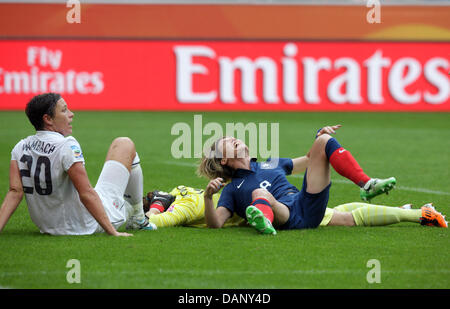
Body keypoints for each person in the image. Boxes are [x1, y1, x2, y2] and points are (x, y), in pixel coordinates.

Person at [197, 126, 447, 235]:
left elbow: (309, 159)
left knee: (323, 143)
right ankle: (265, 223)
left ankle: (366, 183)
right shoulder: (231, 190)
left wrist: (319, 138)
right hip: (287, 217)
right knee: (260, 197)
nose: (235, 140)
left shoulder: (270, 163)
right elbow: (215, 224)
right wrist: (208, 197)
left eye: (233, 138)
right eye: (228, 143)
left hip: (306, 203)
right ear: (225, 161)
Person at [0, 93, 156, 236]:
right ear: (48, 119)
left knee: (107, 191)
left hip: (49, 227)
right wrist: (112, 232)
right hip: (86, 224)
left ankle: (134, 211)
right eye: (64, 110)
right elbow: (86, 193)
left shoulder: (20, 147)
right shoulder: (66, 145)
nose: (71, 114)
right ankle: (137, 218)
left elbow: (15, 192)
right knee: (124, 144)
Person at [143, 186, 447, 229]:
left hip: (270, 204)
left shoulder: (190, 202)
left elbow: (163, 220)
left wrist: (152, 215)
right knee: (335, 210)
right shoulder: (183, 191)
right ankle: (407, 207)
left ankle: (419, 214)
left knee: (344, 220)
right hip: (267, 196)